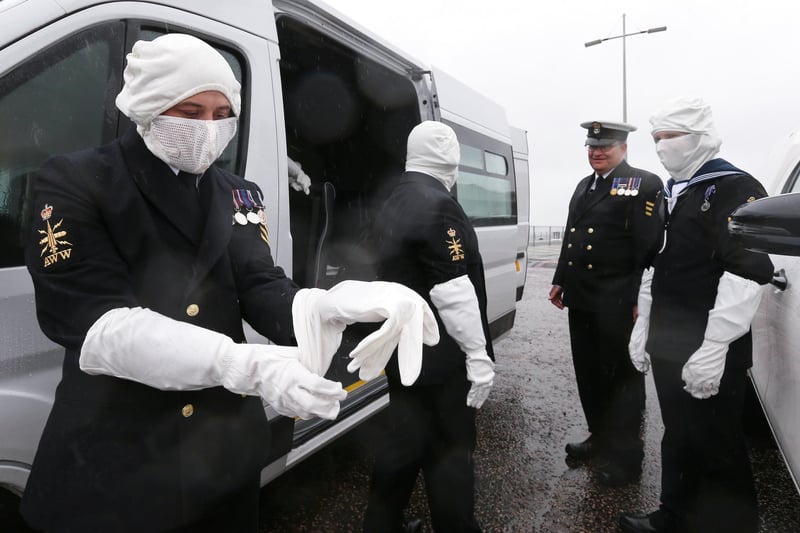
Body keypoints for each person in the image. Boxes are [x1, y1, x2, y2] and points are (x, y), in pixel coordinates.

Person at [21, 33, 438, 532]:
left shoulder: (239, 193)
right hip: (115, 466)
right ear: (148, 107)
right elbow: (101, 328)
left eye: (222, 114)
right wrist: (242, 364)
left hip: (221, 461)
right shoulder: (77, 182)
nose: (209, 129)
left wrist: (326, 306)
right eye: (191, 111)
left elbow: (260, 284)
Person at [619, 97, 774, 533]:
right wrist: (644, 326)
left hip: (708, 346)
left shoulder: (734, 188)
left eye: (671, 136)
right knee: (679, 434)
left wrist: (715, 347)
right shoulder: (674, 191)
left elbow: (746, 274)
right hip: (669, 341)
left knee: (718, 442)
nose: (662, 146)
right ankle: (676, 515)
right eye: (656, 139)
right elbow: (657, 264)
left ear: (702, 138)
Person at [363, 121, 495, 533]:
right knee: (449, 454)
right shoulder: (438, 203)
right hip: (440, 356)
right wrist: (477, 355)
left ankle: (381, 525)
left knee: (402, 445)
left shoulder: (393, 195)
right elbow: (452, 289)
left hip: (405, 349)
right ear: (451, 160)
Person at [548, 120, 663, 486]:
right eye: (592, 147)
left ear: (623, 147)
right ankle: (600, 438)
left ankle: (627, 458)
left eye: (605, 147)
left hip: (617, 300)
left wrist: (637, 299)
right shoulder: (584, 185)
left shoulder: (643, 183)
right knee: (590, 374)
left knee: (621, 381)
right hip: (582, 296)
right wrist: (560, 279)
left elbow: (648, 247)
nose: (596, 152)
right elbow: (572, 236)